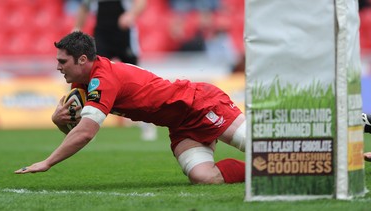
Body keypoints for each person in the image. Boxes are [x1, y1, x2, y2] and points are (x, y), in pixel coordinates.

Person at [14, 31, 246, 184]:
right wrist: (60, 122)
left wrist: (47, 162)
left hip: (200, 105)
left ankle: (275, 164)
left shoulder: (102, 80)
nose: (57, 67)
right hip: (181, 126)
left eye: (62, 61)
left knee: (259, 145)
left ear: (82, 60)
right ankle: (261, 171)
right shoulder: (82, 84)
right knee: (203, 178)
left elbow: (85, 134)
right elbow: (80, 131)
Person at [74, 0, 157, 141]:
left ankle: (147, 124)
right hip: (101, 35)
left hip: (124, 34)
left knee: (137, 80)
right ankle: (87, 126)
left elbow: (141, 2)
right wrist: (77, 28)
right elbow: (84, 6)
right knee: (93, 78)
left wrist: (131, 14)